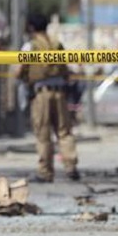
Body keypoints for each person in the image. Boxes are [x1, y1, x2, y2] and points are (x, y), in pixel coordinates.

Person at [17, 13, 80, 183]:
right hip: (60, 93)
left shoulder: (30, 46)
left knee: (43, 133)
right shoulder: (57, 44)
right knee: (64, 131)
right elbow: (65, 69)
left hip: (41, 94)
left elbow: (19, 70)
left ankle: (45, 172)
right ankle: (71, 166)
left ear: (31, 27)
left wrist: (24, 79)